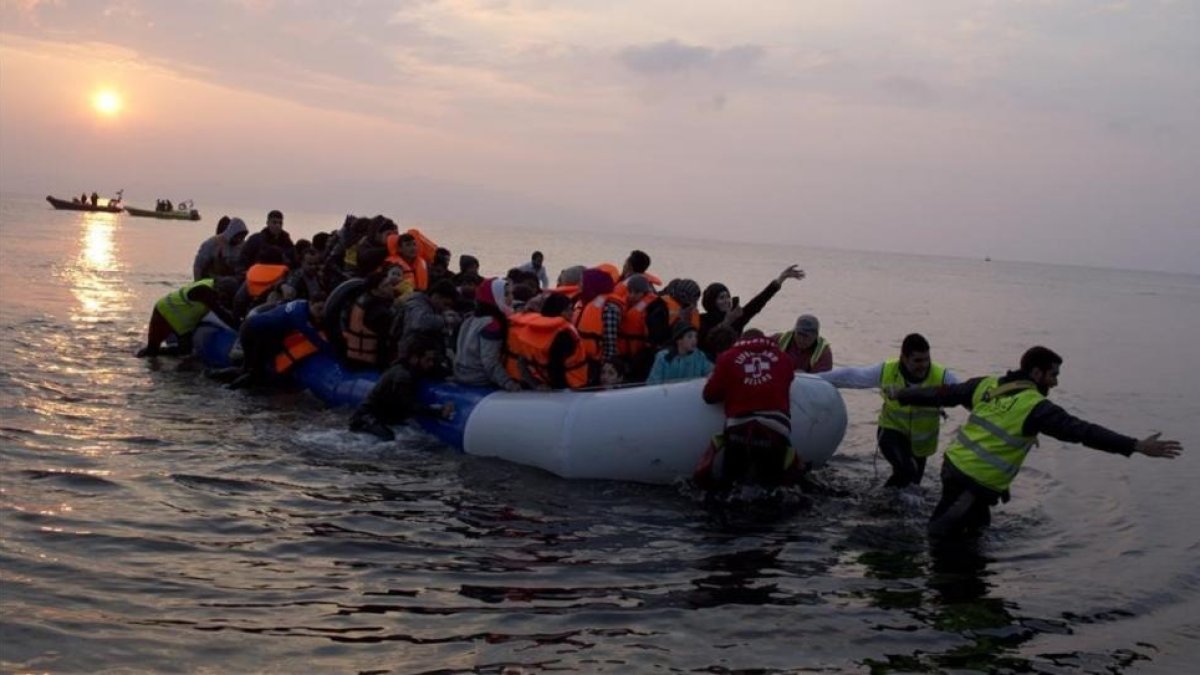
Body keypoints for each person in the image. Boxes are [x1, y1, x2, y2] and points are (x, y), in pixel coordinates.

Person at [891, 346, 1183, 541]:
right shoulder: (1035, 407)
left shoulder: (987, 385)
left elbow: (942, 394)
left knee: (977, 533)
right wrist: (1135, 445)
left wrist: (901, 395)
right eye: (1052, 375)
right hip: (972, 484)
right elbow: (1083, 431)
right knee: (939, 536)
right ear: (1036, 373)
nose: (1055, 382)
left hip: (954, 469)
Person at [819, 333, 957, 489]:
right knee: (907, 471)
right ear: (904, 358)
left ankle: (886, 497)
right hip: (891, 433)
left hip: (921, 445)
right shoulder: (887, 370)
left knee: (912, 486)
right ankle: (880, 500)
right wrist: (812, 378)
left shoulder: (942, 376)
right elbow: (851, 376)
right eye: (917, 360)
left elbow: (966, 393)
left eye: (927, 359)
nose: (924, 365)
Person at [694, 329, 802, 491]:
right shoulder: (784, 359)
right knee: (772, 489)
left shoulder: (728, 358)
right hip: (774, 430)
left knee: (731, 488)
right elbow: (787, 381)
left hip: (739, 429)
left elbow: (709, 396)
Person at [348, 335, 455, 441]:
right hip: (365, 418)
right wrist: (439, 412)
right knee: (388, 437)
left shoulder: (414, 369)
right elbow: (410, 406)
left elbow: (439, 372)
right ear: (414, 359)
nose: (431, 364)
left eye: (433, 360)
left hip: (383, 418)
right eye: (428, 360)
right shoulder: (402, 376)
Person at [699, 264, 805, 360]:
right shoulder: (702, 319)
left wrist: (781, 279)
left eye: (727, 296)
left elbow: (758, 302)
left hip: (733, 361)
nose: (726, 300)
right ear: (711, 301)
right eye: (721, 298)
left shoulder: (737, 318)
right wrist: (727, 322)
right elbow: (706, 344)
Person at [228, 295, 328, 390]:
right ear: (311, 303)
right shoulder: (299, 314)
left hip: (255, 328)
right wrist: (331, 350)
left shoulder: (301, 303)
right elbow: (313, 337)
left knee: (248, 368)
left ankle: (224, 381)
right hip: (255, 332)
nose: (321, 313)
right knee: (255, 372)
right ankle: (230, 389)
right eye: (319, 309)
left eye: (324, 310)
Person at [505, 292, 589, 390]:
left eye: (571, 308)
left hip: (541, 384)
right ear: (557, 311)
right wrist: (557, 389)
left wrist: (536, 384)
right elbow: (556, 368)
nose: (571, 312)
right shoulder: (564, 335)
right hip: (569, 387)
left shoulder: (533, 329)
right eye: (567, 310)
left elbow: (522, 363)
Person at [136, 279, 240, 357]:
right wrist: (240, 330)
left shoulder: (212, 284)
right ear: (218, 289)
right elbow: (221, 314)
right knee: (152, 351)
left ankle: (165, 355)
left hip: (182, 323)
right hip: (164, 312)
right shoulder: (204, 291)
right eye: (224, 296)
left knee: (185, 352)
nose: (224, 300)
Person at [453, 277, 521, 391]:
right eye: (506, 294)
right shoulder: (492, 324)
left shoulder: (470, 318)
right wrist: (508, 383)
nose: (511, 298)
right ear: (495, 297)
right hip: (477, 377)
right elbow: (489, 361)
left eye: (511, 293)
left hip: (461, 373)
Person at [343, 267, 402, 369]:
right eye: (386, 286)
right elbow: (387, 342)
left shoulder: (362, 300)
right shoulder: (380, 313)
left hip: (353, 357)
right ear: (375, 290)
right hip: (369, 362)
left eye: (390, 284)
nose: (391, 288)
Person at [617, 273, 671, 381]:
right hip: (624, 355)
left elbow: (656, 337)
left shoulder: (655, 307)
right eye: (630, 291)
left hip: (643, 356)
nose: (632, 295)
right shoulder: (623, 304)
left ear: (645, 292)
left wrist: (640, 359)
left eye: (637, 292)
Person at [646, 321, 714, 385]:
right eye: (689, 336)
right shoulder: (663, 357)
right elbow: (652, 383)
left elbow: (712, 371)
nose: (694, 340)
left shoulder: (699, 355)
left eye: (696, 336)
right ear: (679, 340)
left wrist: (711, 374)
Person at [193, 216, 248, 281]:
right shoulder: (212, 243)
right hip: (212, 281)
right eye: (238, 236)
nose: (239, 239)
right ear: (232, 233)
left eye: (242, 237)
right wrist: (197, 281)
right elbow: (198, 265)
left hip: (233, 281)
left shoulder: (243, 246)